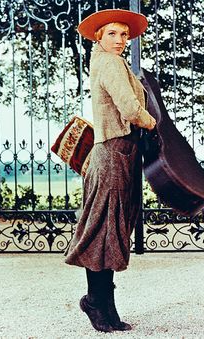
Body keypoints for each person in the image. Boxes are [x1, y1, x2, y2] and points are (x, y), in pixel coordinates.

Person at [65, 9, 156, 333]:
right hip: (113, 154)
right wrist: (150, 121)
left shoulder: (109, 62)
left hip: (120, 155)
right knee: (104, 231)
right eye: (112, 34)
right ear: (99, 38)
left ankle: (105, 304)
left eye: (123, 34)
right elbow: (130, 108)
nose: (119, 40)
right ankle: (95, 301)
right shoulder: (110, 62)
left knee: (111, 231)